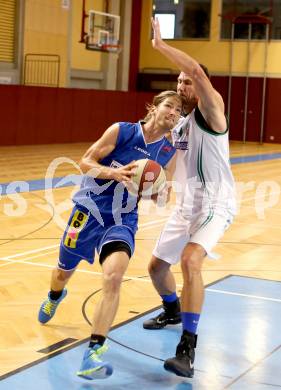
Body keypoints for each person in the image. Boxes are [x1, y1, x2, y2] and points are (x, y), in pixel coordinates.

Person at [38, 90, 183, 380]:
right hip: (88, 211)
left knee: (113, 277)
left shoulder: (168, 151)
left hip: (122, 220)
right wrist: (113, 173)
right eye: (169, 106)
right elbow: (86, 162)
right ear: (153, 107)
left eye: (179, 111)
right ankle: (55, 295)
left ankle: (93, 353)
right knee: (62, 272)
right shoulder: (123, 131)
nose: (174, 113)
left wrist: (158, 194)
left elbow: (163, 195)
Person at [142, 18, 236, 378]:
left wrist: (161, 46)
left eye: (188, 79)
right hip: (187, 204)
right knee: (156, 267)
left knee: (190, 260)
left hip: (216, 203)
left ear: (200, 84)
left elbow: (195, 68)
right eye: (178, 80)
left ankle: (187, 349)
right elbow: (173, 157)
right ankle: (173, 309)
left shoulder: (212, 110)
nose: (182, 83)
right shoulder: (179, 122)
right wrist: (161, 184)